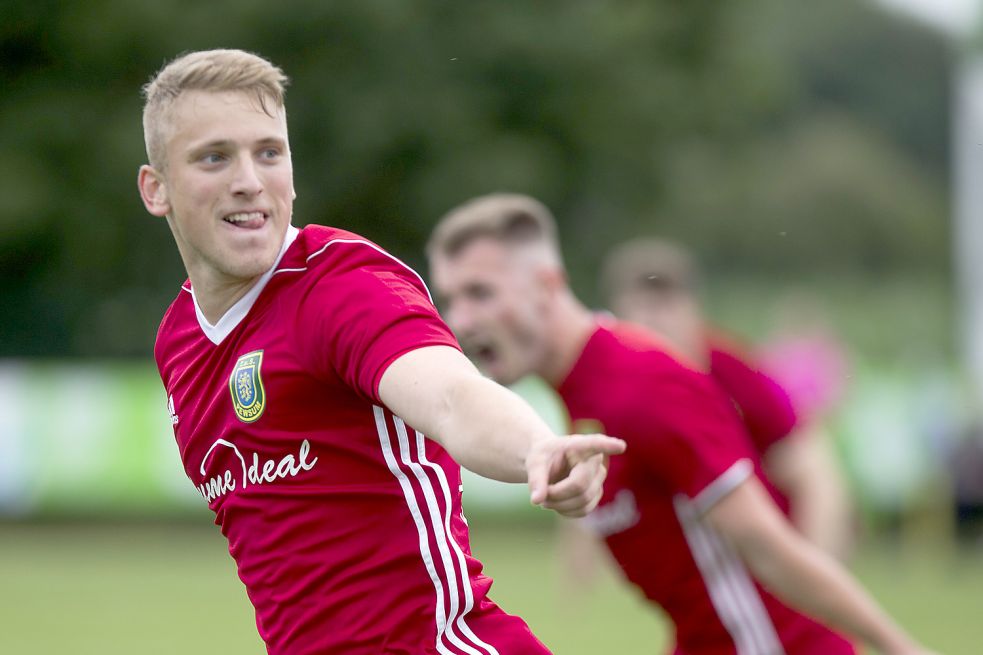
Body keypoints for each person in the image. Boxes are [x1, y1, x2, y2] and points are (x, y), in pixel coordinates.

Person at [135, 50, 625, 655]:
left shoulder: (339, 284)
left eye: (270, 152)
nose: (249, 180)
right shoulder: (179, 340)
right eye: (215, 157)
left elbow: (451, 397)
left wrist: (537, 449)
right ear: (156, 190)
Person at [427, 192, 935, 655]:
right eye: (451, 299)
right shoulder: (577, 388)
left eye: (480, 293)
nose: (462, 320)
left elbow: (771, 546)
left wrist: (898, 648)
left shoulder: (642, 381)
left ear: (547, 285)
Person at [600, 238, 854, 559]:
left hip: (769, 549)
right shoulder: (612, 385)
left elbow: (815, 470)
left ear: (694, 309)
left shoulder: (733, 372)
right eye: (644, 307)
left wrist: (818, 570)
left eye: (667, 304)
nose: (655, 321)